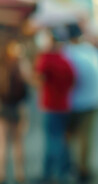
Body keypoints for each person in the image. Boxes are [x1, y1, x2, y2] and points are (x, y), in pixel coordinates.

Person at [62, 23, 98, 183]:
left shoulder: (65, 53)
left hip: (69, 102)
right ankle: (83, 168)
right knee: (85, 137)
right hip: (91, 102)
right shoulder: (91, 51)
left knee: (68, 136)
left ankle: (69, 165)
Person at [33, 28, 75, 183]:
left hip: (51, 105)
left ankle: (53, 173)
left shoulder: (46, 58)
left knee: (53, 140)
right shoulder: (64, 60)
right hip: (64, 105)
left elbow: (38, 79)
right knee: (60, 139)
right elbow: (73, 80)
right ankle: (61, 170)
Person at [0, 40, 29, 184]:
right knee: (18, 144)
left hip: (3, 108)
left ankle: (2, 173)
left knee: (3, 144)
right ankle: (19, 174)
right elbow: (27, 88)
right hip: (17, 107)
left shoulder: (2, 66)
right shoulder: (21, 66)